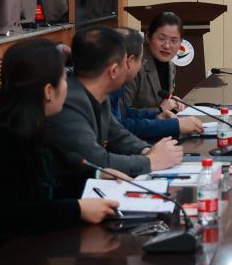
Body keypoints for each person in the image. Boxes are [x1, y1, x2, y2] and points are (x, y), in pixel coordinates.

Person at [0, 39, 120, 265]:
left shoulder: (32, 128)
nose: (67, 87)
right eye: (64, 80)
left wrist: (99, 175)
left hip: (25, 260)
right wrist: (77, 209)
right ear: (48, 91)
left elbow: (49, 186)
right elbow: (4, 218)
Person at [48, 26, 183, 197]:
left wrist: (147, 150)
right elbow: (98, 160)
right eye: (124, 61)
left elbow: (117, 134)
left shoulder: (97, 92)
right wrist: (150, 161)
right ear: (113, 71)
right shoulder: (69, 103)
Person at [110, 27, 203, 141]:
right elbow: (122, 128)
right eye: (141, 61)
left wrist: (158, 114)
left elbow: (126, 114)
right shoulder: (108, 89)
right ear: (130, 61)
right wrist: (174, 125)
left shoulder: (116, 85)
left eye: (174, 40)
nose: (167, 45)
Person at [122, 12, 183, 111]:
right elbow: (123, 112)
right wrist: (160, 109)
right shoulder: (134, 65)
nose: (167, 46)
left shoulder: (171, 66)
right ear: (148, 37)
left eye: (174, 40)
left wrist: (172, 101)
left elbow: (162, 102)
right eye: (161, 38)